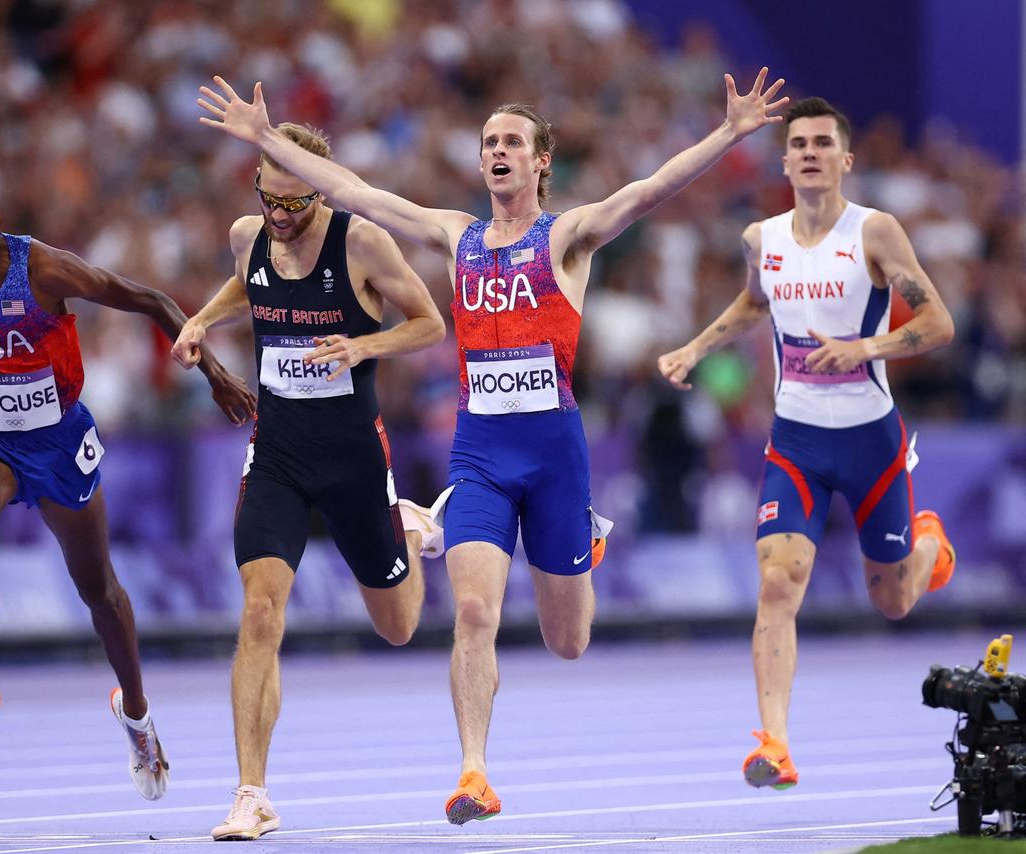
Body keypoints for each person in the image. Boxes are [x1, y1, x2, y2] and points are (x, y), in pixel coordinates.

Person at [196, 68, 787, 823]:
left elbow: (647, 191)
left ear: (541, 161)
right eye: (488, 143)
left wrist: (730, 133)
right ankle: (474, 772)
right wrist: (264, 137)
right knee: (473, 611)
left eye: (512, 141)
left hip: (554, 455)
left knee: (567, 640)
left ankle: (582, 541)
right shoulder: (456, 236)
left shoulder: (567, 238)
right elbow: (353, 193)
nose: (498, 151)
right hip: (479, 452)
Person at [0, 158, 256, 799]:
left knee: (99, 590)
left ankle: (138, 716)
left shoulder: (42, 269)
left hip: (56, 439)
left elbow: (152, 300)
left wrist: (215, 373)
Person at [657, 97, 957, 789]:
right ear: (785, 159)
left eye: (825, 142)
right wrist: (695, 347)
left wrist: (864, 348)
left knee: (892, 601)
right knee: (777, 583)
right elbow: (754, 304)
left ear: (845, 160)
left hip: (869, 441)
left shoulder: (875, 233)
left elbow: (939, 322)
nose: (812, 152)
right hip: (795, 439)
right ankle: (775, 744)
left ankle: (930, 543)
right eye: (800, 143)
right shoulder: (762, 239)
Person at [170, 123, 446, 841]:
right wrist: (202, 319)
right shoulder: (248, 234)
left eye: (296, 205)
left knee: (398, 626)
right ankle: (250, 792)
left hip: (356, 458)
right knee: (261, 612)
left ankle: (409, 533)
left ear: (320, 192)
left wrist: (362, 344)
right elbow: (247, 284)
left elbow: (428, 323)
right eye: (271, 200)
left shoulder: (361, 242)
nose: (281, 217)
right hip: (280, 454)